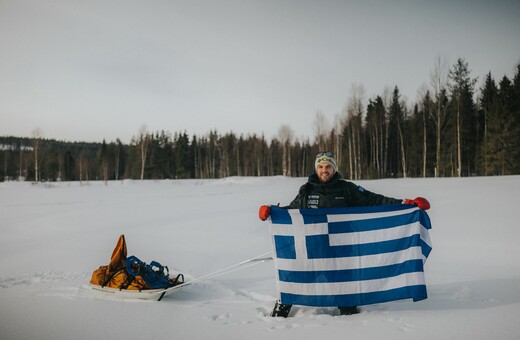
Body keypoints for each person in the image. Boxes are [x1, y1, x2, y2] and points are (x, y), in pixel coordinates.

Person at [258, 151, 430, 317]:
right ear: (316, 169)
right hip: (314, 248)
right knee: (294, 279)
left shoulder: (347, 188)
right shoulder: (306, 190)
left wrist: (405, 203)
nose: (324, 170)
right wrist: (273, 212)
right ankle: (281, 311)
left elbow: (374, 200)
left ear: (334, 168)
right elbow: (293, 211)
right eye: (321, 167)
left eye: (328, 166)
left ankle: (349, 323)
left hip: (342, 251)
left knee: (345, 292)